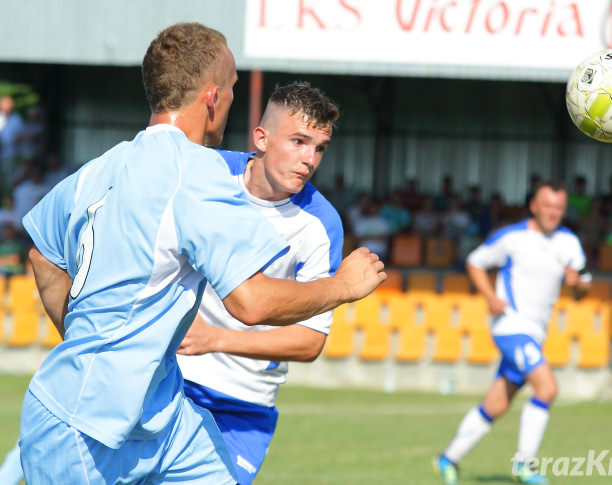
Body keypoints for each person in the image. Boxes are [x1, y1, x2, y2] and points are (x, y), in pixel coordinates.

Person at [18, 23, 385, 485]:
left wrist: (84, 338)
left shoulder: (100, 166)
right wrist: (345, 286)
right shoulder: (200, 173)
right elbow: (251, 302)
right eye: (233, 88)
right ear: (213, 98)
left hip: (164, 416)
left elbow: (43, 257)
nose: (233, 100)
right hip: (84, 428)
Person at [175, 81, 344, 484]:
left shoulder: (321, 225)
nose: (309, 159)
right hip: (171, 380)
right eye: (299, 141)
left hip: (244, 405)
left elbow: (309, 342)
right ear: (262, 138)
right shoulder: (207, 175)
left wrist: (216, 339)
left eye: (319, 148)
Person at [433, 181, 590, 485]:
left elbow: (583, 288)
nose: (553, 212)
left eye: (558, 207)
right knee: (547, 389)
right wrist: (490, 296)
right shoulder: (512, 237)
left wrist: (578, 283)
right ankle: (525, 467)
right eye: (547, 205)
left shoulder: (569, 242)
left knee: (497, 404)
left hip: (536, 334)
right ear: (534, 206)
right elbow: (475, 262)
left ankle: (447, 459)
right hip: (511, 328)